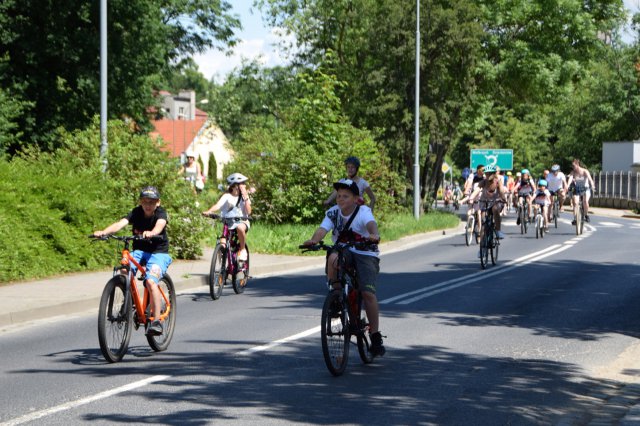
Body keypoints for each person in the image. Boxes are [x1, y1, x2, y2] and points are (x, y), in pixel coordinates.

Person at [303, 179, 385, 357]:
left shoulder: (363, 211)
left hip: (365, 252)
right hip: (344, 250)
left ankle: (375, 335)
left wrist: (374, 235)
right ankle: (337, 297)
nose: (340, 199)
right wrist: (314, 240)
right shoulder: (333, 212)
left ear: (356, 198)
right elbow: (322, 229)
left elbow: (371, 225)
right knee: (333, 256)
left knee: (367, 293)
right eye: (338, 196)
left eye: (345, 196)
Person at [93, 186, 172, 336]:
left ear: (158, 203)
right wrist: (104, 232)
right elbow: (120, 223)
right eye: (144, 202)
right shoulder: (136, 212)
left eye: (151, 202)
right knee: (124, 271)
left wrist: (152, 233)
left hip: (158, 253)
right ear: (140, 202)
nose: (148, 205)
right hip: (139, 251)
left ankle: (156, 321)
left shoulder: (160, 213)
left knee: (150, 282)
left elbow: (160, 225)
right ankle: (129, 301)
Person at [203, 173, 252, 262]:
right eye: (242, 184)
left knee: (240, 227)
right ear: (235, 186)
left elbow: (248, 211)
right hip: (229, 222)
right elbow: (218, 206)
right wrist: (209, 211)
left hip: (242, 221)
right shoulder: (227, 196)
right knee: (222, 242)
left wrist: (245, 197)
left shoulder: (244, 197)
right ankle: (222, 268)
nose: (244, 186)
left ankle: (243, 249)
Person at [464, 167, 507, 240]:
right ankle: (482, 246)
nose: (488, 175)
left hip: (495, 202)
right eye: (486, 173)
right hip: (485, 202)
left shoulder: (497, 181)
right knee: (483, 219)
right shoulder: (483, 182)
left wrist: (503, 199)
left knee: (495, 209)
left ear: (494, 174)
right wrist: (471, 198)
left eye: (490, 173)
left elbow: (501, 191)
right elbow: (477, 190)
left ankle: (498, 230)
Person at [567, 158, 596, 224]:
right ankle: (575, 218)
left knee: (585, 201)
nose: (573, 167)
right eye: (572, 166)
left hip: (585, 188)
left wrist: (592, 186)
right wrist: (567, 186)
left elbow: (590, 179)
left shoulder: (584, 171)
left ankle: (586, 215)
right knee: (575, 202)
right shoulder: (573, 172)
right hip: (577, 189)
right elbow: (570, 179)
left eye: (574, 166)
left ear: (577, 165)